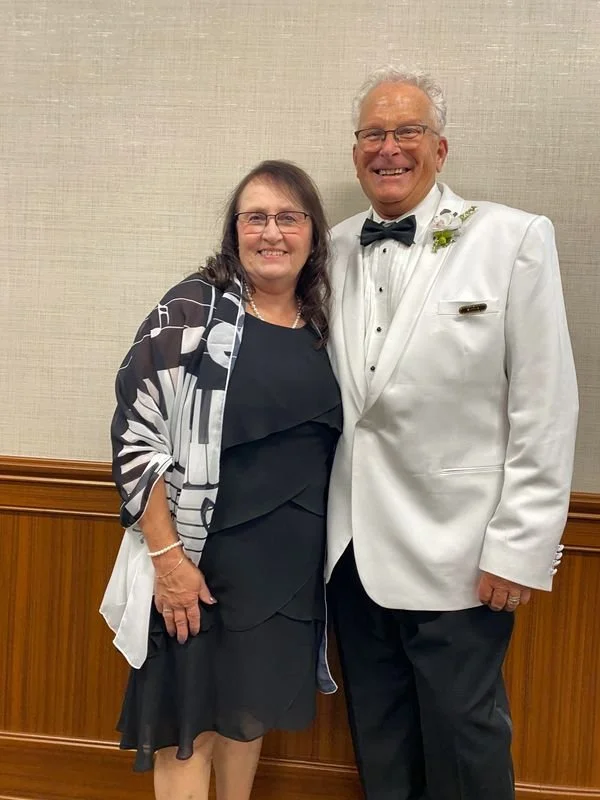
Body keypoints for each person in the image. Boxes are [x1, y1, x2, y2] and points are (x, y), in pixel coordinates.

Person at [326, 65, 579, 800]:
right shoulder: (332, 246)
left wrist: (521, 545)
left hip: (464, 556)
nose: (389, 147)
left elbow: (544, 403)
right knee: (380, 737)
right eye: (373, 133)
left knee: (465, 742)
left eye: (407, 131)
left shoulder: (514, 238)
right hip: (352, 553)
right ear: (356, 152)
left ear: (441, 147)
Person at [100, 159, 342, 800]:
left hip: (290, 568)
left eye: (288, 218)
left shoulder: (328, 325)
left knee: (247, 714)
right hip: (200, 561)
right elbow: (135, 437)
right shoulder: (193, 309)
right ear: (233, 231)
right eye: (255, 217)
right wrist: (169, 562)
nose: (272, 233)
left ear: (313, 233)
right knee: (192, 724)